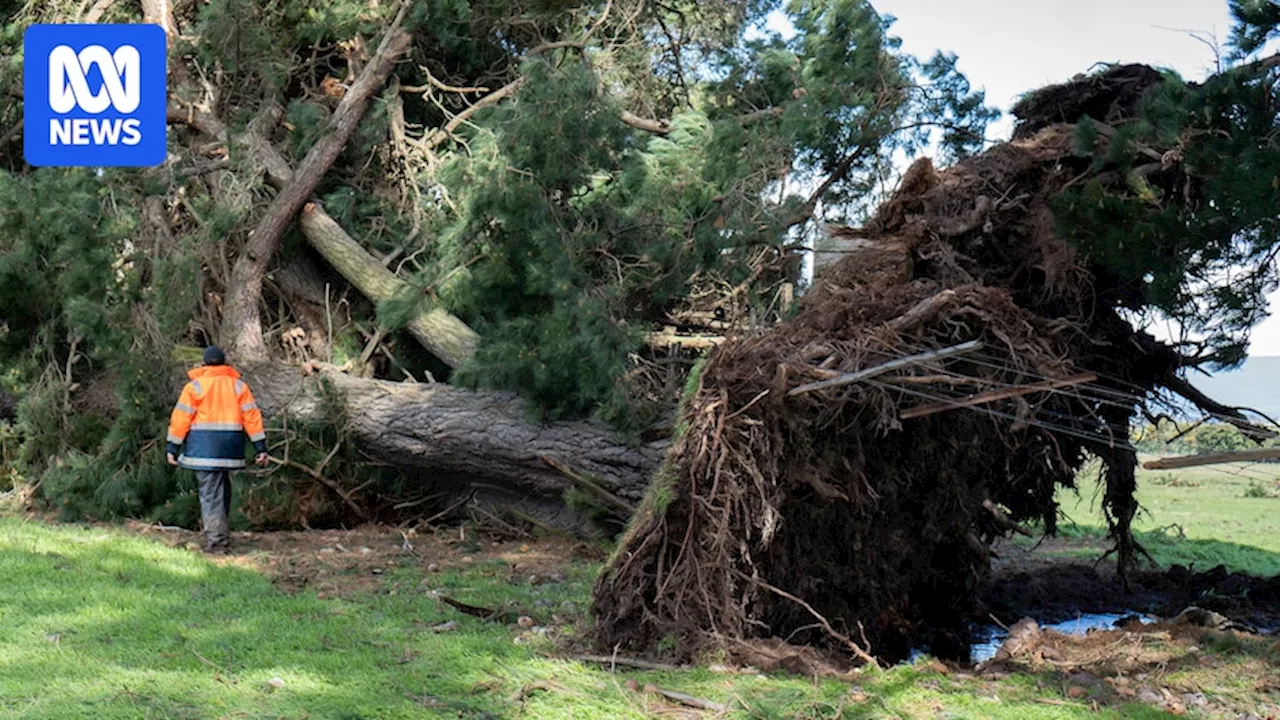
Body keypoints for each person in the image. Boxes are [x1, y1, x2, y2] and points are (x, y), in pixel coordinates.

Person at [165, 345, 269, 553]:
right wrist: (260, 448)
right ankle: (221, 534)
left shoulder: (195, 387)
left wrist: (172, 448)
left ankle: (217, 542)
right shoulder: (239, 387)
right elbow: (252, 418)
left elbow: (180, 420)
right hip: (230, 449)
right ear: (224, 363)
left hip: (203, 450)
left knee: (210, 494)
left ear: (204, 364)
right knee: (224, 492)